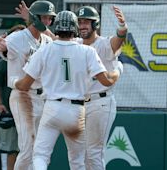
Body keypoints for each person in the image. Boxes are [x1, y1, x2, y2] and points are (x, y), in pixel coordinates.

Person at [15, 10, 120, 170]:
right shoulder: (87, 51)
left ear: (57, 28)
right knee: (78, 161)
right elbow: (106, 81)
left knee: (40, 155)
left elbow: (24, 85)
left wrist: (14, 81)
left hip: (52, 107)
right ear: (75, 28)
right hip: (76, 110)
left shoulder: (46, 49)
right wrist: (117, 71)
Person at [0, 0, 55, 170]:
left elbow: (58, 41)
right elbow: (0, 45)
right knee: (28, 147)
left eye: (50, 19)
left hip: (42, 97)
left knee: (39, 148)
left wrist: (35, 20)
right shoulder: (19, 37)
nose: (48, 22)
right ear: (35, 18)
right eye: (44, 18)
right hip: (22, 95)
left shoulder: (47, 40)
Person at [75, 5, 126, 170]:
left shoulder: (104, 44)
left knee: (94, 153)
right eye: (80, 22)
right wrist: (33, 20)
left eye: (86, 22)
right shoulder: (75, 43)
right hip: (80, 105)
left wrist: (122, 28)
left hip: (100, 102)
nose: (82, 26)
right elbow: (54, 39)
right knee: (80, 153)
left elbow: (118, 41)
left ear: (95, 24)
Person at [0, 25, 26, 170]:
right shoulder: (4, 62)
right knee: (12, 149)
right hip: (10, 111)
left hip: (29, 110)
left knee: (28, 149)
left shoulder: (33, 57)